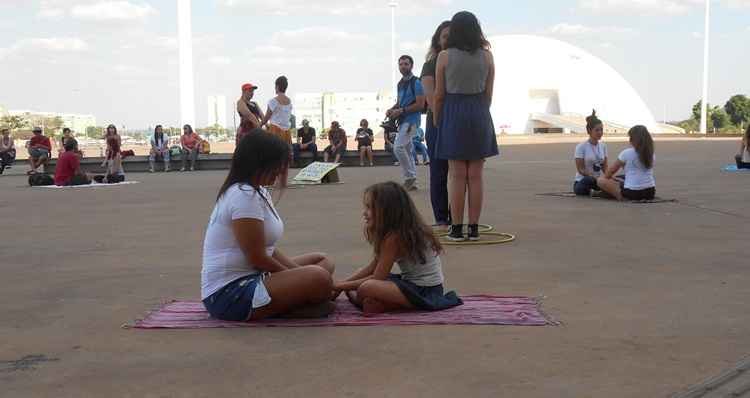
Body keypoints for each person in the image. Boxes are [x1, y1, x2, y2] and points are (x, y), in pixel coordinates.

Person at [201, 130, 336, 321]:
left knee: (323, 262)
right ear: (259, 164)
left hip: (257, 275)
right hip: (229, 293)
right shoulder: (243, 195)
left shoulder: (259, 191)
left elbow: (268, 250)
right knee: (319, 278)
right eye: (277, 166)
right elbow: (258, 258)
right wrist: (301, 277)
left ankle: (297, 300)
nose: (280, 172)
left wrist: (296, 275)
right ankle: (293, 304)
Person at [333, 181, 462, 314]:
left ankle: (393, 305)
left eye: (369, 208)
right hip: (415, 285)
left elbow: (377, 278)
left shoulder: (395, 238)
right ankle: (382, 303)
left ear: (387, 210)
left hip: (425, 291)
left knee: (367, 287)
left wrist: (339, 286)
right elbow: (372, 267)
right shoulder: (398, 231)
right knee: (362, 278)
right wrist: (342, 285)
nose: (364, 213)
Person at [434, 11, 498, 241]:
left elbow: (439, 95)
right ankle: (474, 228)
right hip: (479, 110)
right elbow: (489, 93)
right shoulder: (488, 57)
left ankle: (457, 228)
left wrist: (437, 119)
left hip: (453, 111)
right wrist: (480, 110)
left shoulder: (444, 56)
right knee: (476, 175)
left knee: (457, 175)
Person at [421, 20, 452, 227]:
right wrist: (441, 121)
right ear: (438, 41)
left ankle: (457, 218)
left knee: (460, 174)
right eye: (444, 36)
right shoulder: (430, 64)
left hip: (457, 121)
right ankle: (442, 218)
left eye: (452, 35)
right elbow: (431, 99)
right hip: (438, 121)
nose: (448, 40)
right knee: (439, 173)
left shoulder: (461, 62)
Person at [386, 55, 426, 191]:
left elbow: (420, 105)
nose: (403, 66)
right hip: (403, 120)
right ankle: (412, 181)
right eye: (401, 64)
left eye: (406, 64)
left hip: (412, 121)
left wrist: (401, 110)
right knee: (408, 150)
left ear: (411, 65)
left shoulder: (417, 83)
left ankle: (409, 177)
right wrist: (392, 109)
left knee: (398, 147)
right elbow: (400, 102)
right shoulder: (400, 84)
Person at [597, 125, 656, 201]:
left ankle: (620, 197)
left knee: (600, 180)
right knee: (624, 178)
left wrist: (612, 179)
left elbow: (609, 172)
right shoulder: (651, 154)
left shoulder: (626, 153)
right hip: (650, 192)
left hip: (632, 193)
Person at [261, 76, 293, 187]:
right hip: (286, 132)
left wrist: (259, 125)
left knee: (273, 156)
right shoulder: (289, 102)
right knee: (284, 157)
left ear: (277, 86)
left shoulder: (273, 101)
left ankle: (271, 180)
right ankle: (283, 182)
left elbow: (266, 118)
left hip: (275, 131)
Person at [573, 110, 608, 196]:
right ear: (589, 130)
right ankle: (598, 192)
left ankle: (598, 192)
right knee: (587, 181)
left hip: (599, 181)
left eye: (601, 130)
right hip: (584, 181)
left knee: (619, 178)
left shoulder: (603, 146)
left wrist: (610, 177)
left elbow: (605, 168)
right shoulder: (581, 147)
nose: (600, 133)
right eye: (597, 130)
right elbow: (581, 169)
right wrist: (592, 176)